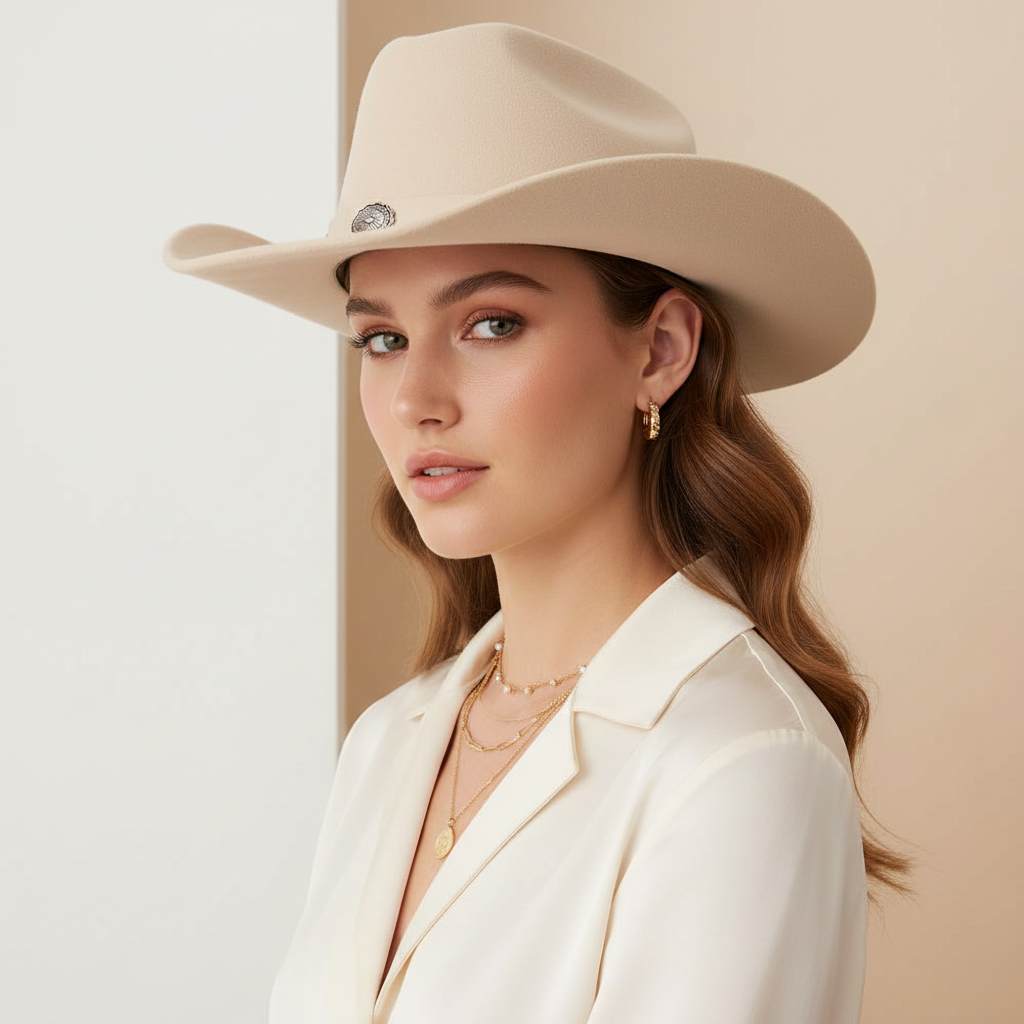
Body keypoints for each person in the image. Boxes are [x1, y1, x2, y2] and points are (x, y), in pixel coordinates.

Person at [165, 22, 908, 1024]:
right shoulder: (391, 742)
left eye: (490, 324)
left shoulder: (737, 762)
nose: (414, 397)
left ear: (659, 351)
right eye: (381, 337)